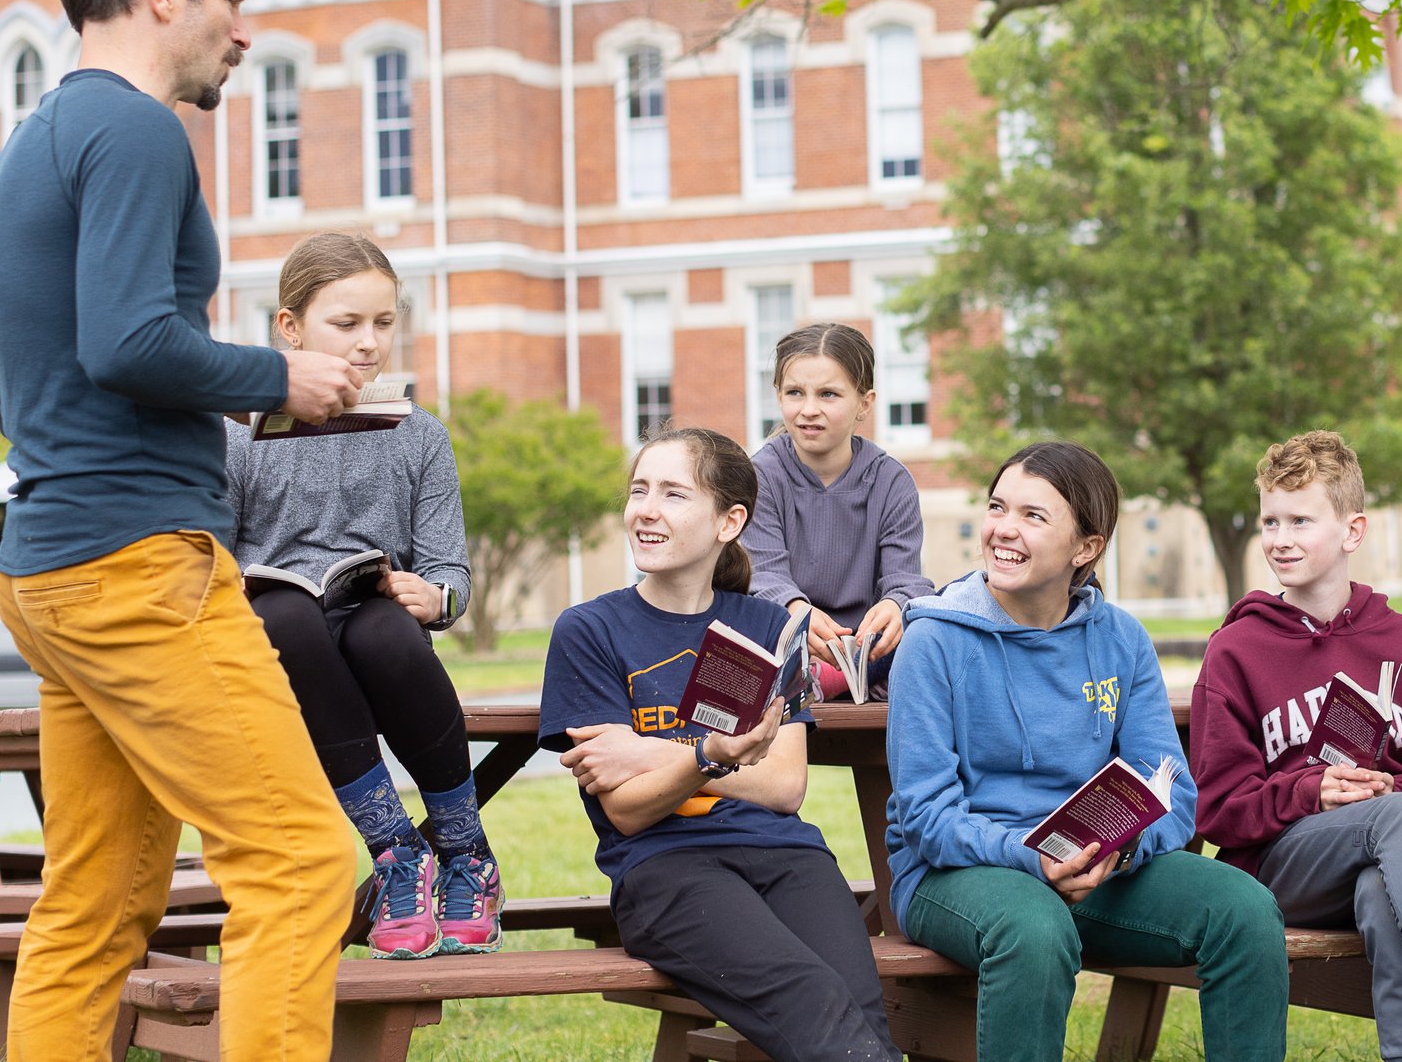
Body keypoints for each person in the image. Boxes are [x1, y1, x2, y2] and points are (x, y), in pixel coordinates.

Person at [0, 0, 364, 1062]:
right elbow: (129, 341)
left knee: (95, 902)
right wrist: (278, 376)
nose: (243, 29)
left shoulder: (38, 139)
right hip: (138, 567)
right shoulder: (137, 128)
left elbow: (41, 376)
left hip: (54, 564)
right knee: (300, 858)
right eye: (231, 0)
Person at [885, 440, 1289, 1062]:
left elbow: (1172, 791)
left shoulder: (1121, 639)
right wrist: (1030, 857)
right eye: (998, 507)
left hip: (1099, 870)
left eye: (1033, 515)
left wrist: (1117, 853)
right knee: (1032, 927)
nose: (1004, 529)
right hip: (956, 874)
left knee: (1245, 910)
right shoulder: (933, 640)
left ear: (1086, 547)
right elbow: (926, 818)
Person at [538, 428, 899, 1062]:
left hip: (788, 856)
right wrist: (713, 755)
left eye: (673, 494)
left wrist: (656, 752)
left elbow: (784, 788)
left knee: (862, 1015)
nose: (646, 509)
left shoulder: (768, 626)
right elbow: (628, 811)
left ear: (729, 522)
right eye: (639, 490)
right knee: (814, 1004)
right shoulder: (590, 630)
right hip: (665, 867)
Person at [227, 233, 501, 958]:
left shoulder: (419, 435)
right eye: (346, 323)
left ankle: (467, 852)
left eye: (383, 322)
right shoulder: (235, 434)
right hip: (279, 639)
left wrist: (434, 598)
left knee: (382, 630)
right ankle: (396, 852)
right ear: (290, 327)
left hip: (376, 630)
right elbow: (210, 558)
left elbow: (451, 573)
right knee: (286, 616)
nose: (369, 341)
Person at [1190, 432, 1402, 1062]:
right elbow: (1217, 808)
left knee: (1380, 888)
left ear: (1352, 531)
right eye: (1271, 522)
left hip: (1390, 860)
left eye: (1301, 521)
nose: (1280, 539)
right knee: (1396, 818)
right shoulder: (1237, 650)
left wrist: (1385, 787)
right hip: (1279, 868)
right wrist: (1312, 791)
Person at [741, 322, 933, 698]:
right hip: (785, 639)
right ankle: (816, 679)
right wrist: (797, 610)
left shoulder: (892, 482)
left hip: (866, 648)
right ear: (778, 396)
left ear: (865, 403)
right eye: (795, 393)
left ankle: (837, 677)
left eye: (828, 394)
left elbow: (904, 579)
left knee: (935, 615)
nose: (808, 410)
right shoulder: (760, 477)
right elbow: (765, 577)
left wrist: (895, 604)